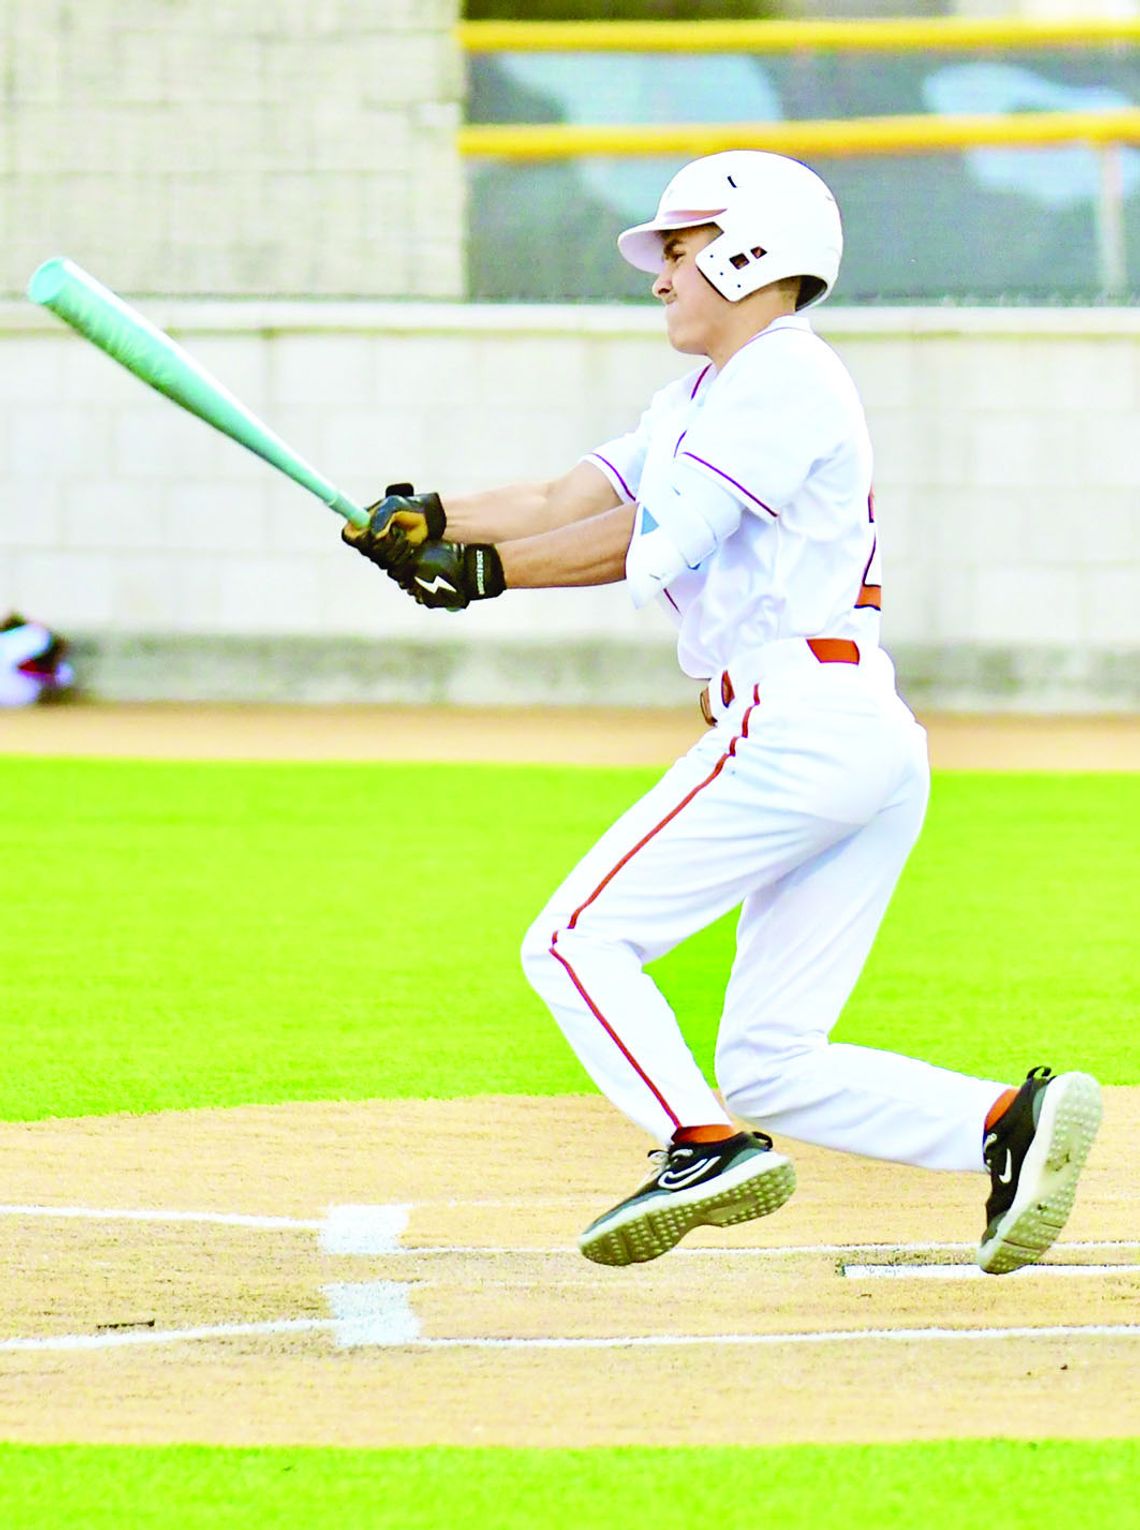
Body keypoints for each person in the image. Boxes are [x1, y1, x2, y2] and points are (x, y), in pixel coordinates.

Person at [344, 150, 1102, 1275]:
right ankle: (1001, 1125)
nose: (661, 278)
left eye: (682, 253)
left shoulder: (783, 377)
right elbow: (569, 498)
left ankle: (698, 1145)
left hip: (796, 719)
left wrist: (490, 573)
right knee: (771, 1058)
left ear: (754, 254)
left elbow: (655, 542)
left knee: (572, 940)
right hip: (851, 728)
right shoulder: (708, 393)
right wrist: (433, 515)